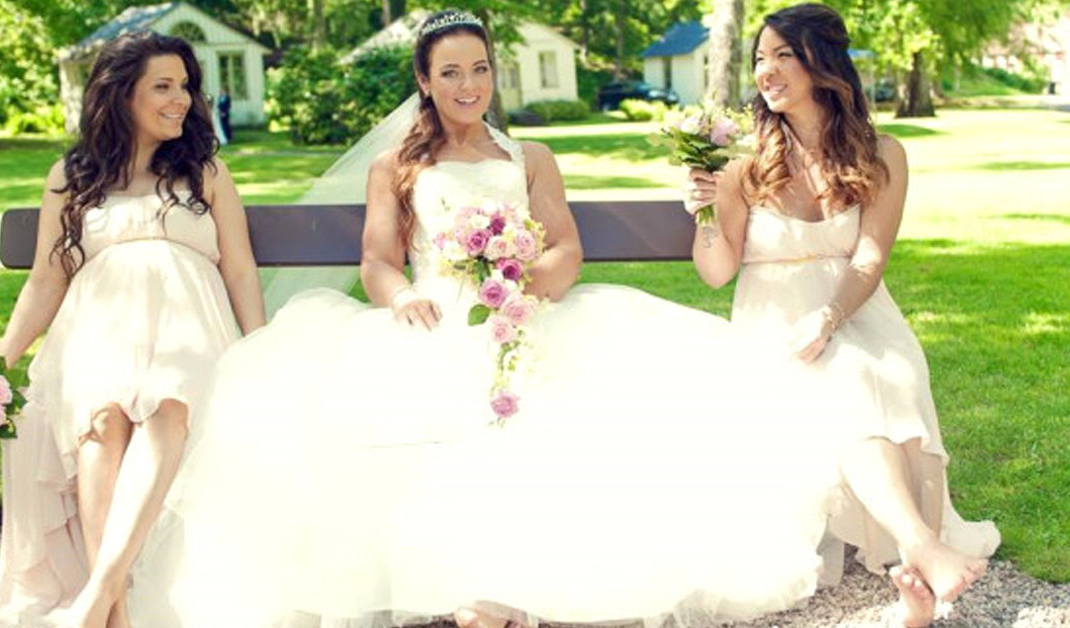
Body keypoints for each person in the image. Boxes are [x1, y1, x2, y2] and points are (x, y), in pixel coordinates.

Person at [127, 9, 856, 628]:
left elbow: (565, 249)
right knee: (408, 416)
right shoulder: (397, 166)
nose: (468, 85)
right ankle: (469, 588)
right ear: (424, 81)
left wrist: (524, 283)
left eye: (479, 70)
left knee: (561, 409)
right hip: (433, 316)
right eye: (450, 73)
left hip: (522, 313)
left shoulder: (529, 156)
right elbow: (377, 261)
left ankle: (510, 588)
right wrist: (400, 297)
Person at [683, 4, 999, 626]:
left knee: (890, 372)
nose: (766, 71)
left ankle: (915, 553)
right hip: (772, 321)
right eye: (760, 58)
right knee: (847, 378)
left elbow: (870, 257)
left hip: (854, 308)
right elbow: (717, 273)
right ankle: (921, 546)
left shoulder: (882, 153)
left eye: (783, 55)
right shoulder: (744, 165)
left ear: (822, 64)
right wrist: (704, 211)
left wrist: (829, 317)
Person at [0, 31, 264, 628]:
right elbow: (46, 279)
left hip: (189, 327)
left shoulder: (206, 171)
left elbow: (238, 267)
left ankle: (97, 597)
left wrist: (260, 348)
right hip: (98, 333)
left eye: (184, 86)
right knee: (101, 420)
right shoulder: (71, 176)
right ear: (122, 94)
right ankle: (118, 613)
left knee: (170, 402)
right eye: (163, 86)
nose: (180, 99)